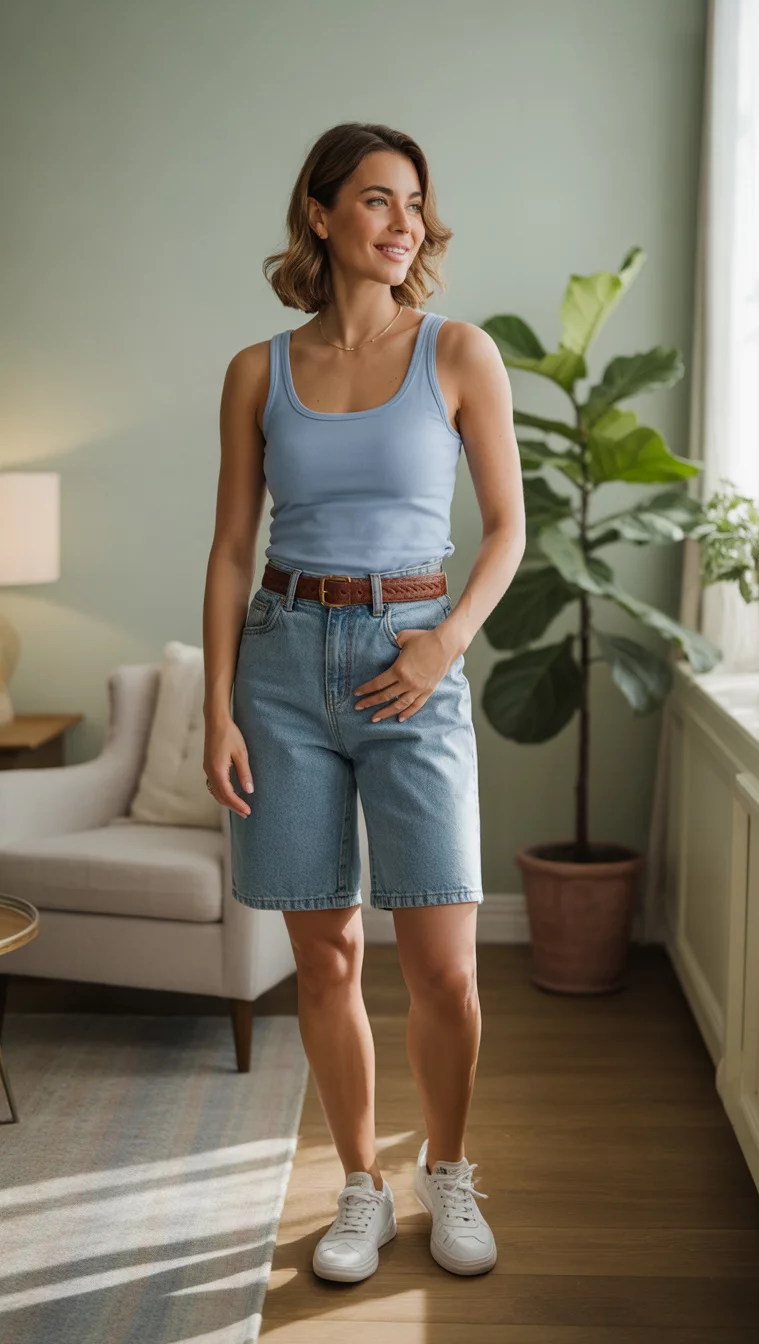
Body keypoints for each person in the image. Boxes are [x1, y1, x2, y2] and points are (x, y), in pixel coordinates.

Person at [202, 121, 524, 1283]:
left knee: (445, 965)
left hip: (411, 659)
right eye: (379, 200)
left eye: (415, 204)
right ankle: (359, 1188)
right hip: (282, 665)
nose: (404, 224)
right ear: (323, 212)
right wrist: (216, 709)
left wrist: (443, 645)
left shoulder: (458, 353)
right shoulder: (259, 371)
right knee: (327, 955)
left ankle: (449, 1169)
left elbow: (507, 530)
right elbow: (231, 550)